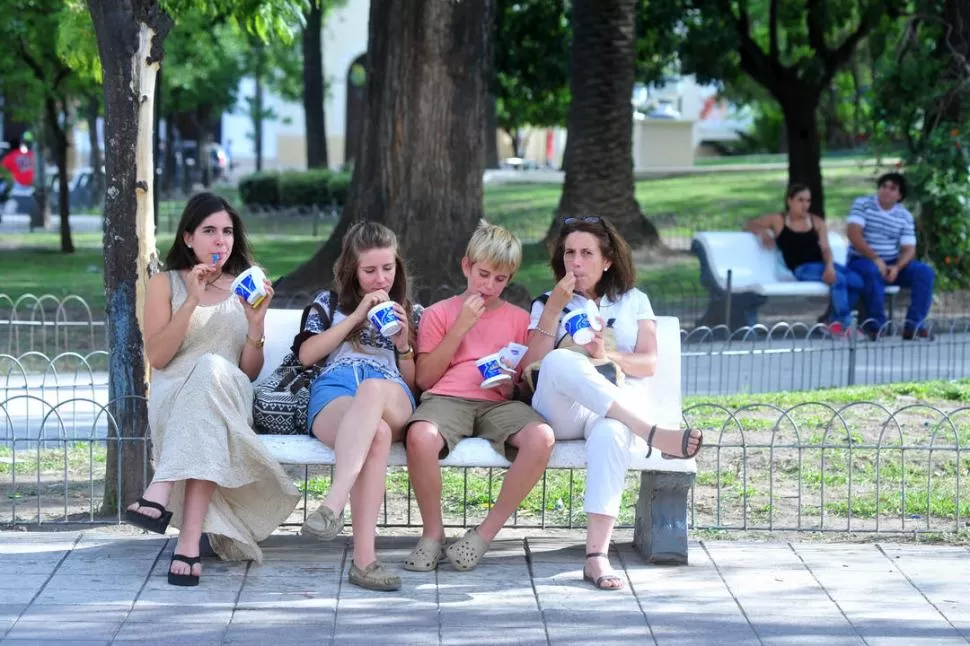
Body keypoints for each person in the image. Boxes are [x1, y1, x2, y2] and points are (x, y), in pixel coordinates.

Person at [124, 192, 300, 586]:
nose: (221, 241)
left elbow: (249, 372)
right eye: (209, 231)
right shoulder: (163, 284)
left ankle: (159, 489)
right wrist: (192, 301)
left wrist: (256, 325)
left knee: (210, 375)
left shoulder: (247, 283)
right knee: (204, 413)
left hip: (230, 391)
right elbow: (159, 358)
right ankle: (188, 544)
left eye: (227, 232)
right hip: (176, 396)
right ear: (188, 238)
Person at [522, 215, 702, 591]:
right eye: (570, 253)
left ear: (607, 260)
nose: (577, 261)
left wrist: (607, 355)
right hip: (562, 411)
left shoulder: (634, 301)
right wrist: (554, 309)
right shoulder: (546, 302)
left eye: (587, 253)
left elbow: (649, 362)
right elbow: (530, 364)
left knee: (612, 430)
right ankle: (650, 433)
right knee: (558, 359)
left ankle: (596, 556)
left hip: (612, 405)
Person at [403, 221, 555, 573]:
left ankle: (483, 535)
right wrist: (461, 327)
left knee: (541, 437)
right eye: (483, 274)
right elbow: (425, 379)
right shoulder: (440, 313)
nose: (489, 286)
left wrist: (510, 381)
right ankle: (432, 534)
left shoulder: (519, 320)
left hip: (498, 403)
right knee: (420, 436)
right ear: (466, 266)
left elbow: (524, 383)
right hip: (447, 399)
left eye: (500, 279)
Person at [294, 221, 421, 592]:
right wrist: (356, 316)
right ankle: (365, 561)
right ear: (352, 269)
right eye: (369, 271)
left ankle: (331, 504)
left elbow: (415, 384)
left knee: (372, 391)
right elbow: (306, 356)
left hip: (390, 390)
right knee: (376, 434)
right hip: (334, 391)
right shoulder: (327, 303)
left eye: (387, 268)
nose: (380, 278)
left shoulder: (410, 311)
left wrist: (402, 344)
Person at [744, 183, 865, 336]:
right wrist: (762, 232)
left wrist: (829, 267)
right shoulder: (778, 220)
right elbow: (748, 224)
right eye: (800, 200)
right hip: (802, 268)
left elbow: (826, 249)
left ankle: (832, 320)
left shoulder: (816, 222)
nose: (805, 205)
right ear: (790, 201)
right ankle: (845, 324)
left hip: (823, 264)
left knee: (856, 281)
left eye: (808, 201)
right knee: (839, 280)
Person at [845, 172, 935, 339]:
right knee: (872, 272)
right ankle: (876, 326)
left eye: (892, 188)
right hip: (862, 259)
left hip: (892, 261)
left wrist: (897, 267)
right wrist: (875, 258)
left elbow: (909, 249)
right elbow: (853, 234)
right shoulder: (863, 204)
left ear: (899, 196)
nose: (886, 191)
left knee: (924, 273)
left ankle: (913, 326)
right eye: (883, 186)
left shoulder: (905, 216)